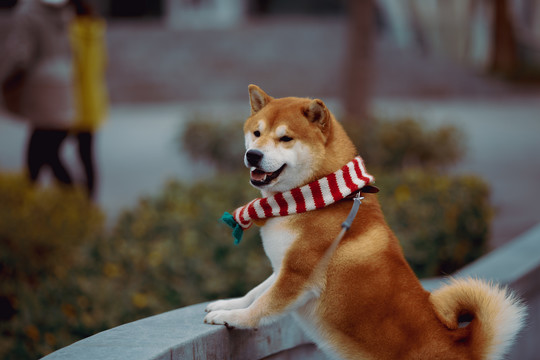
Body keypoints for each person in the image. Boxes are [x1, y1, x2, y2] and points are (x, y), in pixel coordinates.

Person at [0, 0, 75, 187]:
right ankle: (73, 200)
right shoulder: (64, 11)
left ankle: (73, 199)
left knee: (40, 156)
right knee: (48, 151)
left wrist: (4, 76)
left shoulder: (28, 11)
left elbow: (20, 56)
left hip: (40, 87)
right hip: (63, 82)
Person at [69, 0, 108, 200]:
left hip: (71, 102)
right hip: (92, 101)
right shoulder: (97, 30)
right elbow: (103, 64)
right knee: (86, 155)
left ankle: (71, 192)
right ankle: (89, 199)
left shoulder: (71, 31)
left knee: (47, 151)